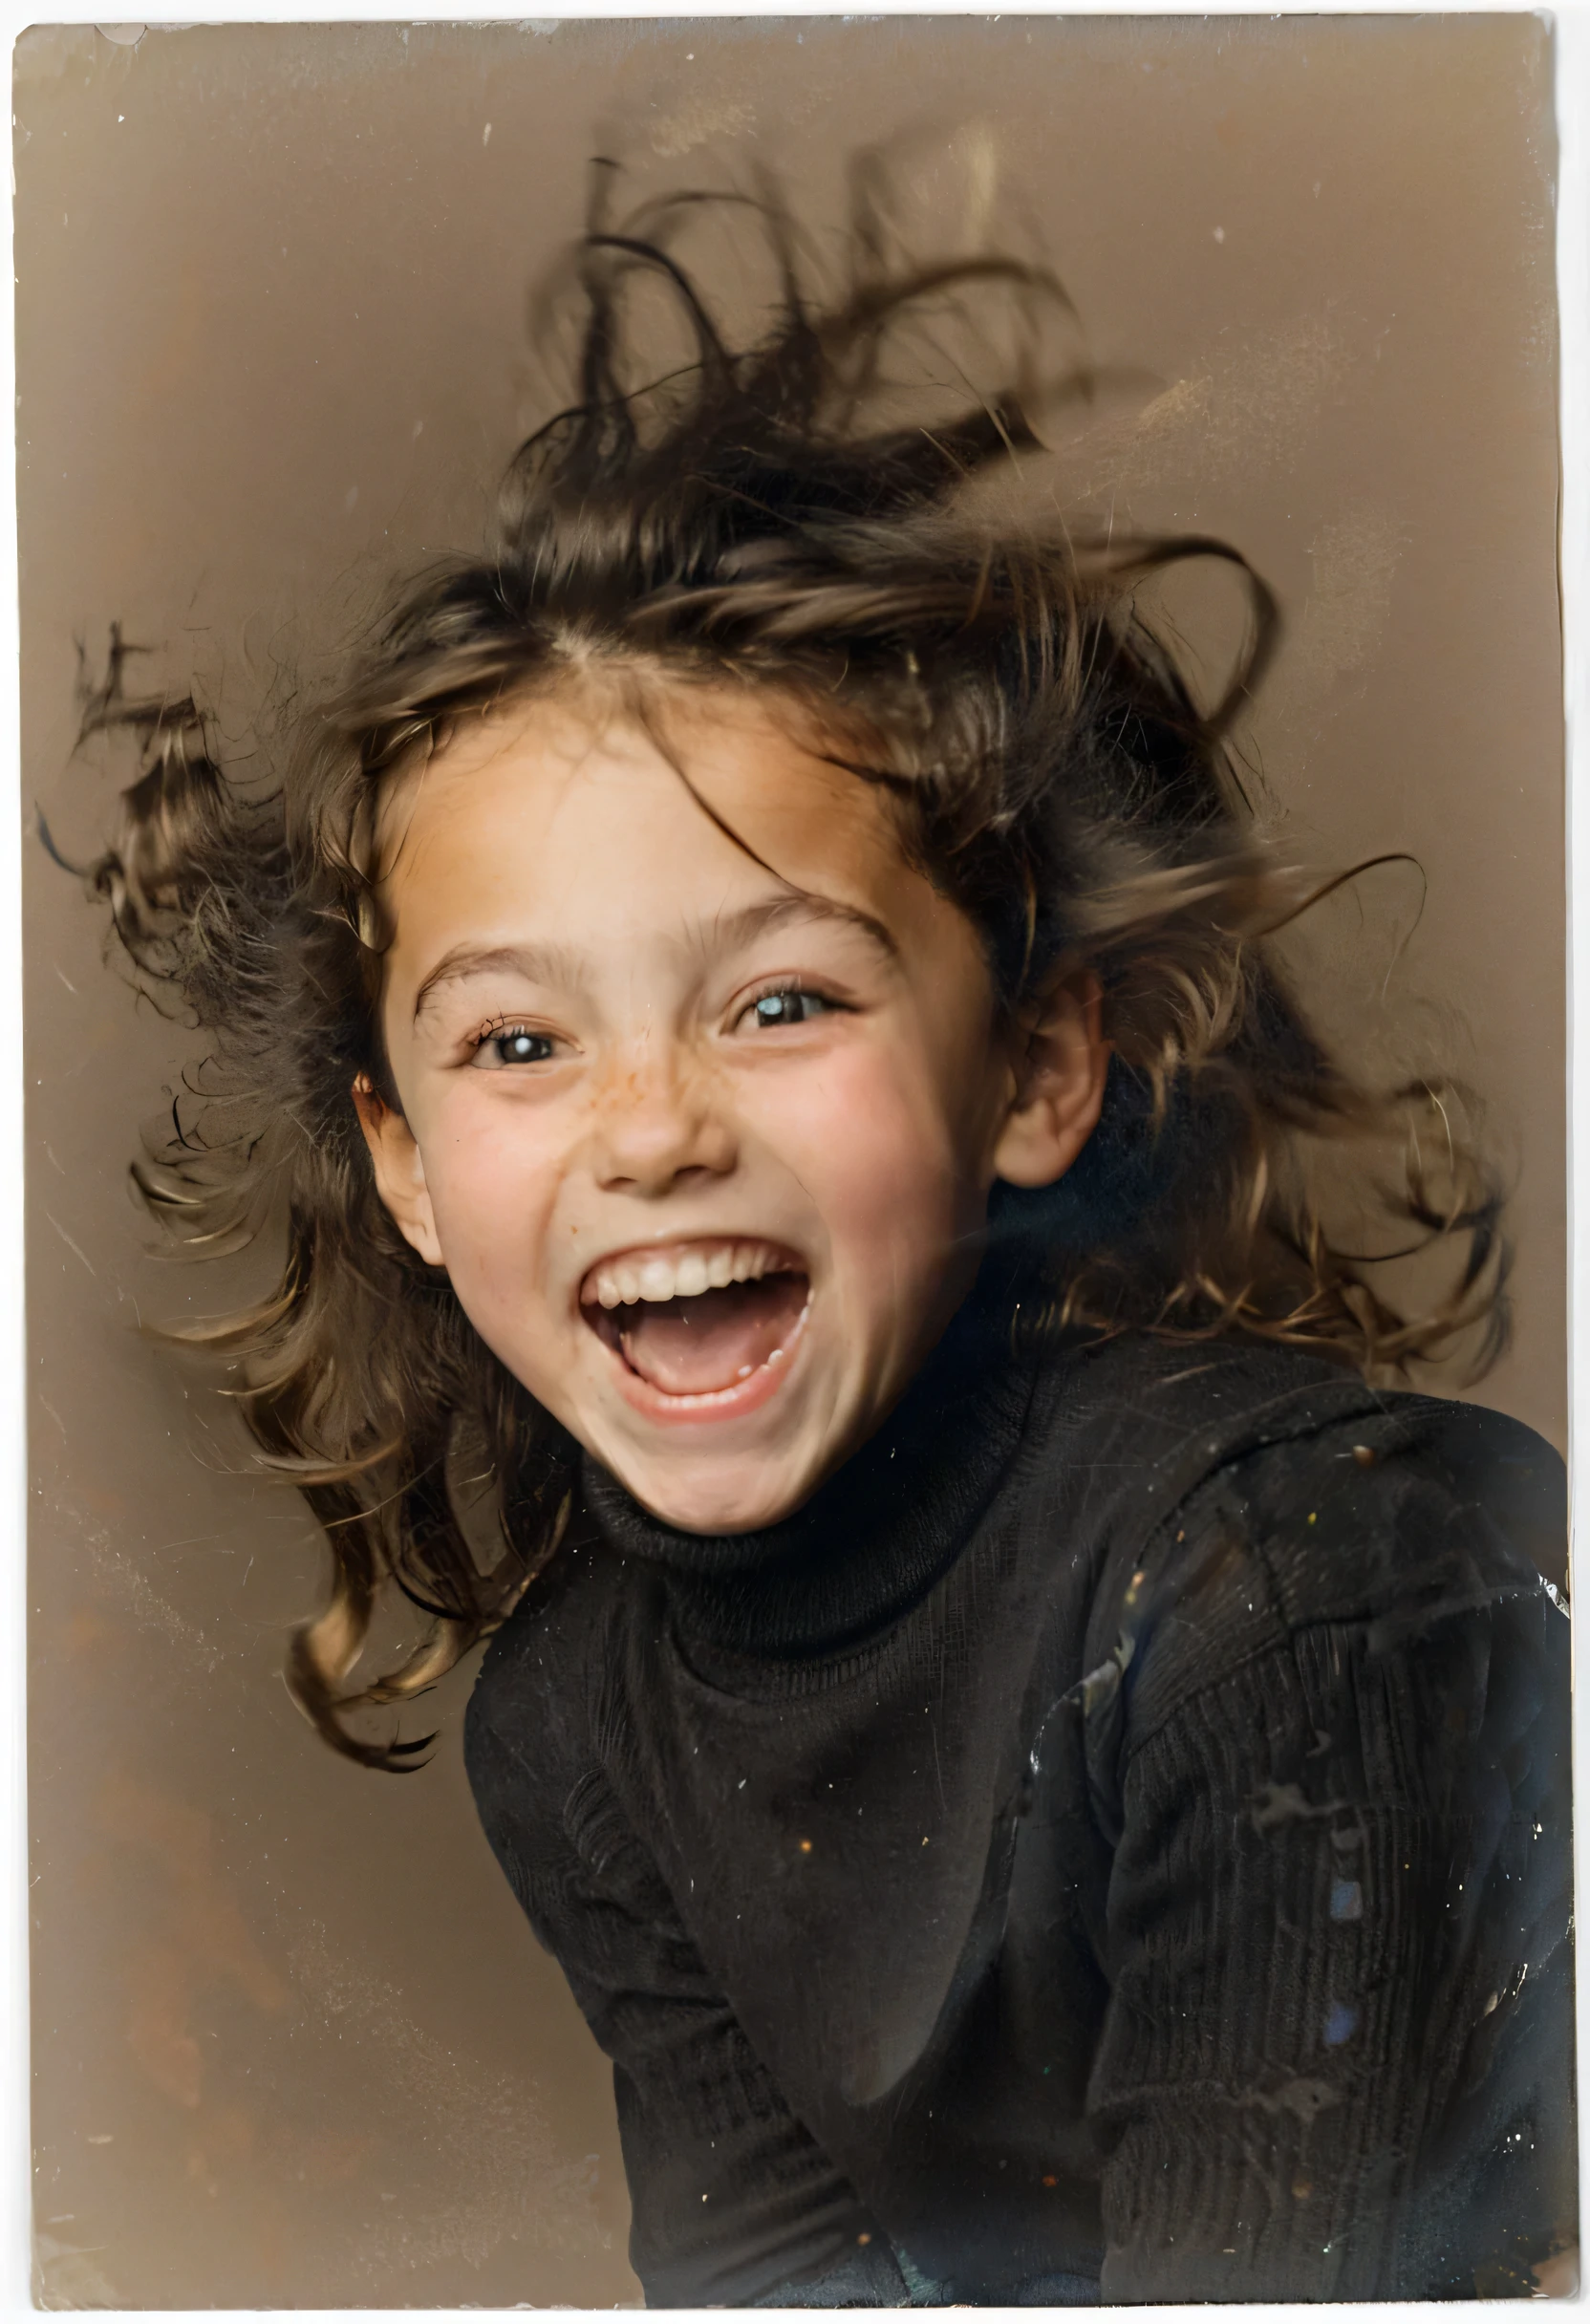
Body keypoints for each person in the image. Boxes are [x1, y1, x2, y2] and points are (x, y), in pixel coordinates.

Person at [77, 171, 1574, 2303]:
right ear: (402, 1166)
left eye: (782, 999)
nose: (653, 1126)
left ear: (1038, 1073)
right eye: (517, 1038)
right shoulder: (580, 1728)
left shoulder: (1285, 1580)